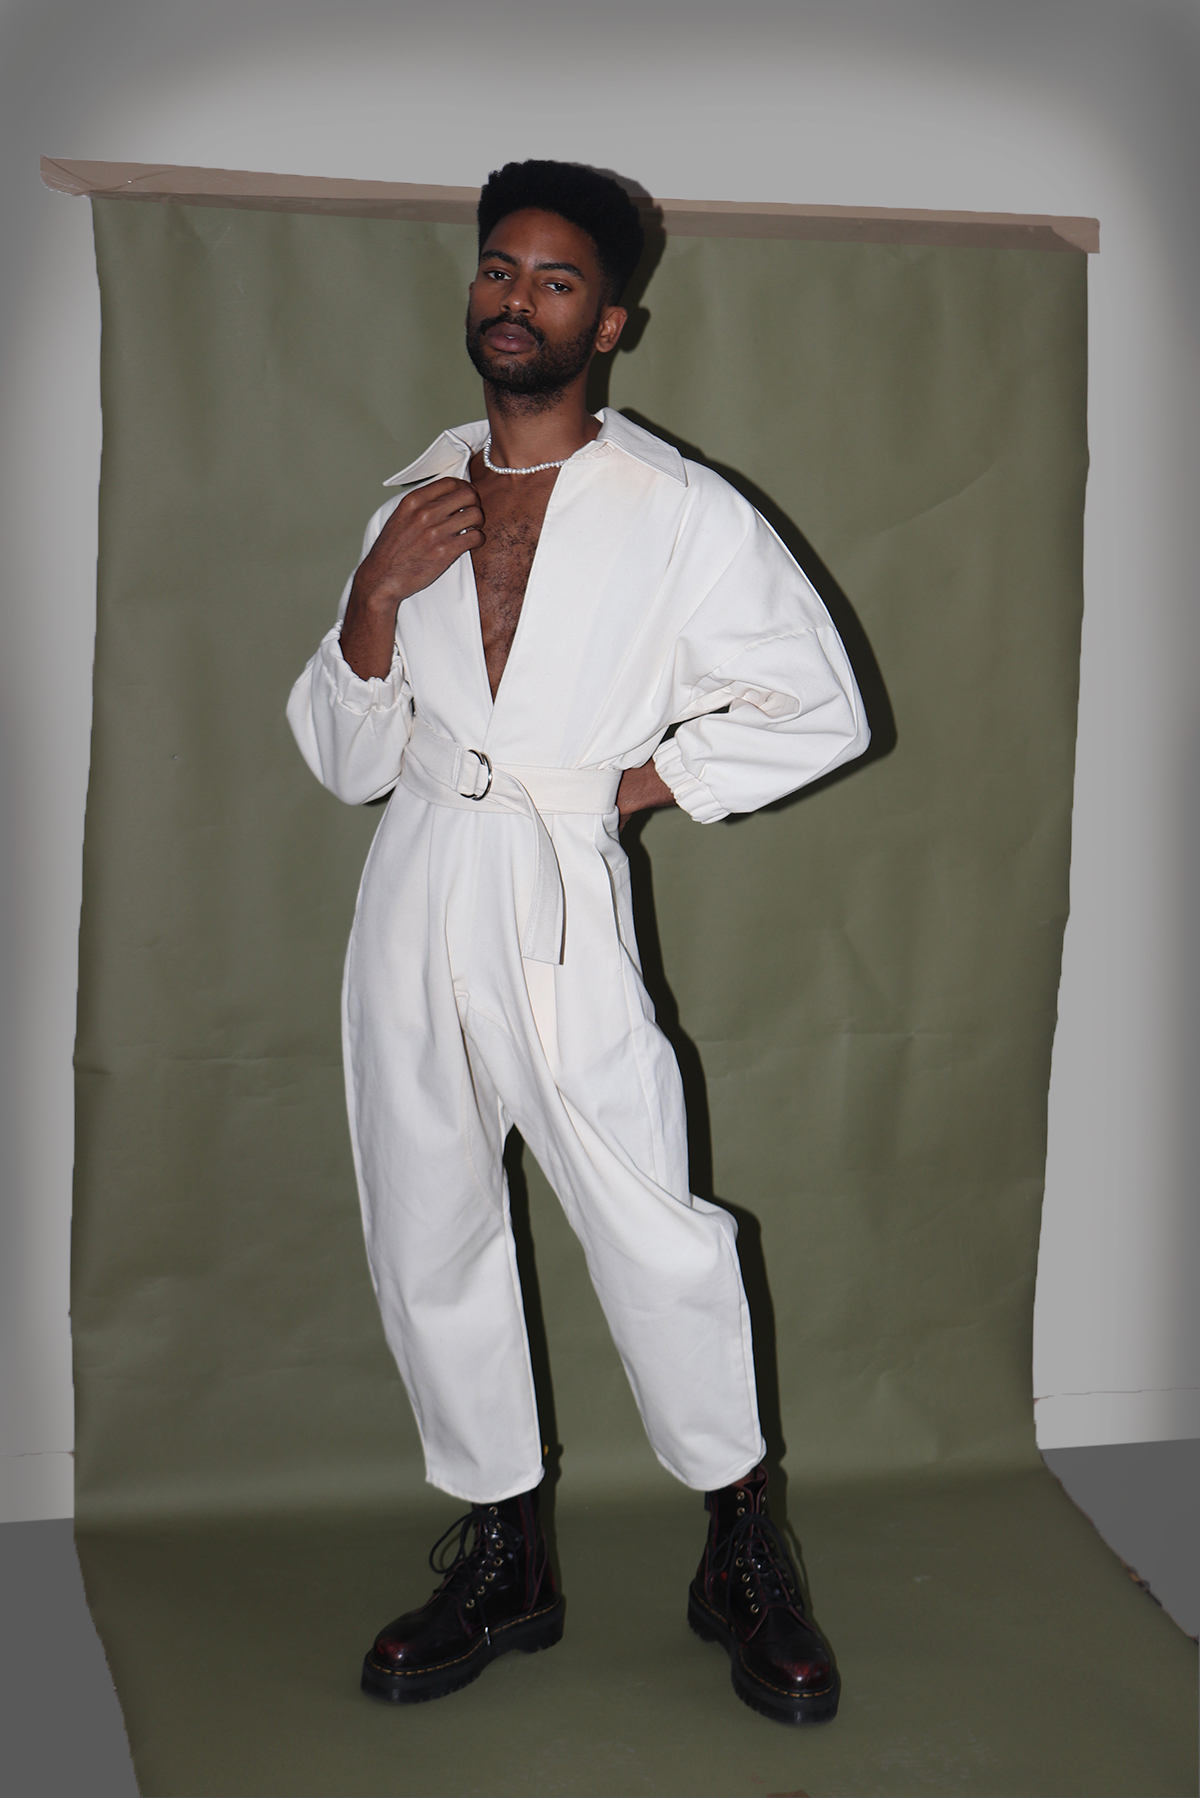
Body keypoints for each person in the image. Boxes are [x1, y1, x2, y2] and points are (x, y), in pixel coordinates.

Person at [287, 159, 869, 1727]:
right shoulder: (415, 501)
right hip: (417, 875)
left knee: (650, 1215)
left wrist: (635, 781)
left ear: (609, 322)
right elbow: (345, 755)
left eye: (555, 281)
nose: (517, 299)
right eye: (499, 269)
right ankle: (506, 1552)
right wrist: (371, 599)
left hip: (554, 885)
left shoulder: (676, 512)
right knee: (427, 1211)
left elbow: (816, 704)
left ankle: (740, 1540)